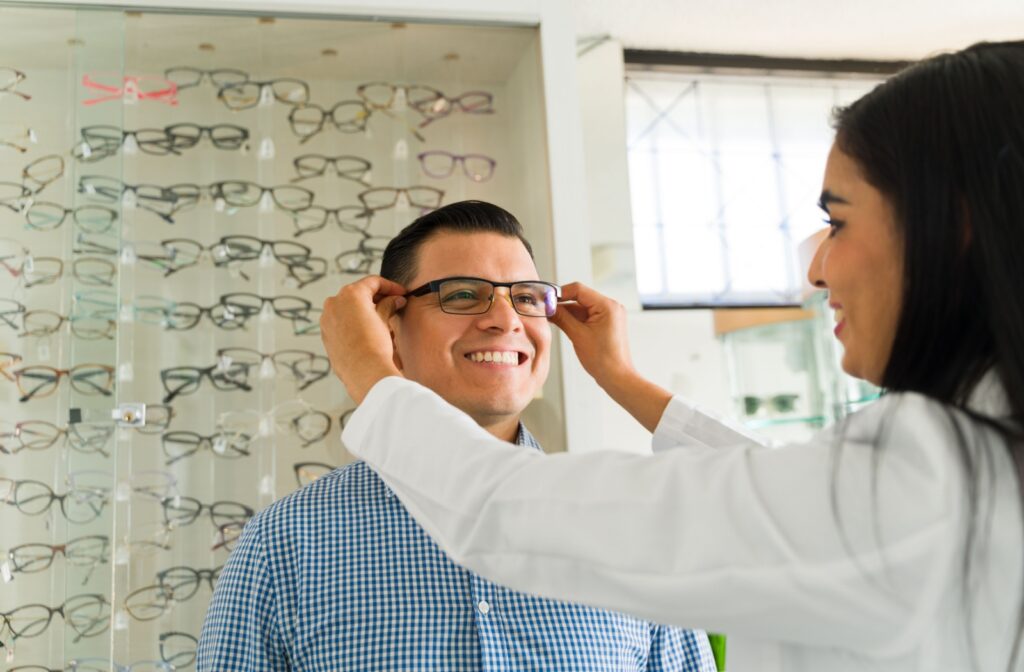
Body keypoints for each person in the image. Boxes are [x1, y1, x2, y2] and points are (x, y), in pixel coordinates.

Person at [319, 40, 1024, 672]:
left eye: (837, 222)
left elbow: (504, 510)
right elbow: (776, 496)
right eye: (461, 294)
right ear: (396, 320)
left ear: (952, 226)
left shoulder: (919, 480)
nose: (816, 271)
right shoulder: (295, 544)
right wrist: (621, 381)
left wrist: (373, 379)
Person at [197, 201, 717, 671]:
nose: (505, 320)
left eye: (528, 298)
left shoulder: (628, 529)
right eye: (463, 295)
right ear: (389, 329)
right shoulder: (285, 544)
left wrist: (619, 375)